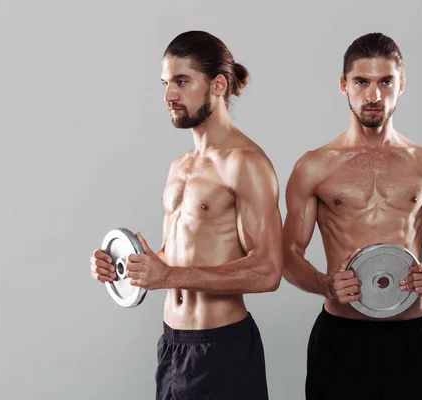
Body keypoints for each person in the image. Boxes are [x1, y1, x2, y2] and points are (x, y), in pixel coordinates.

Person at [89, 30, 283, 400]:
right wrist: (125, 268)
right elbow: (173, 257)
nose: (168, 95)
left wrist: (170, 275)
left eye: (181, 81)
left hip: (221, 348)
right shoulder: (180, 166)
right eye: (165, 83)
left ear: (218, 85)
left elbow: (268, 270)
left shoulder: (246, 164)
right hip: (173, 347)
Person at [282, 32, 422, 400]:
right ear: (343, 86)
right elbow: (287, 255)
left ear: (401, 86)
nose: (373, 95)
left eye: (385, 81)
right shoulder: (314, 167)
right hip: (341, 336)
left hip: (411, 336)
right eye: (361, 82)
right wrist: (325, 284)